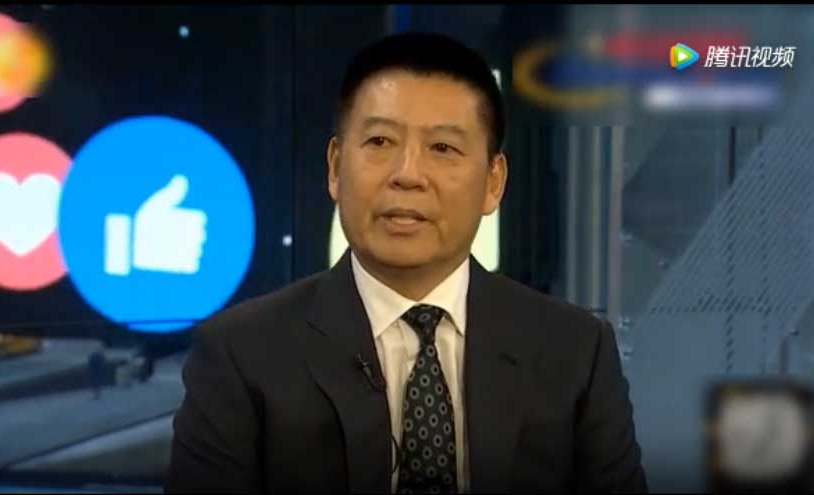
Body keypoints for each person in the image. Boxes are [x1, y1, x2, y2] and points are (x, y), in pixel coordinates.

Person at [165, 32, 647, 493]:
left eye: (443, 148)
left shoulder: (576, 353)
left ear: (493, 182)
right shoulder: (239, 355)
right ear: (335, 167)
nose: (407, 175)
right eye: (380, 142)